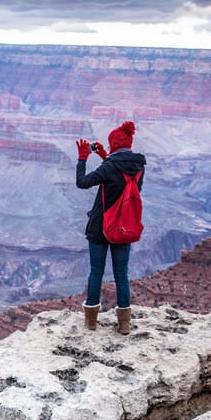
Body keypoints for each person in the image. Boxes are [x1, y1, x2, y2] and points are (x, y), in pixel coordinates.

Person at [76, 120, 145, 334]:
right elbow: (122, 182)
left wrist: (83, 158)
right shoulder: (138, 167)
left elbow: (83, 182)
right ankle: (124, 323)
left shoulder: (109, 167)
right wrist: (106, 157)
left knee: (96, 271)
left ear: (113, 144)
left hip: (100, 227)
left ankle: (91, 323)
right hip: (124, 227)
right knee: (121, 273)